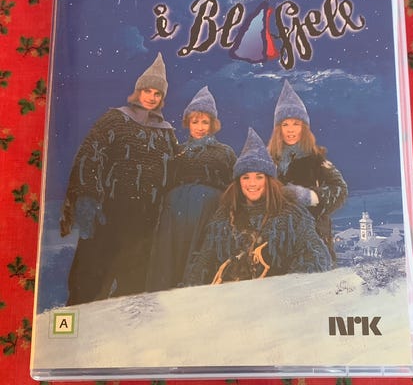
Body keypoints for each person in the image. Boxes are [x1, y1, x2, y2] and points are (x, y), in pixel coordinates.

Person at [59, 52, 178, 305]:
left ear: (162, 98)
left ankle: (123, 326)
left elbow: (176, 170)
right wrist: (89, 198)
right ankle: (75, 320)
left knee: (132, 280)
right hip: (109, 211)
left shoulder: (166, 134)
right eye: (147, 91)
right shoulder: (115, 120)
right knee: (90, 274)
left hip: (144, 217)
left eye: (157, 94)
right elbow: (90, 155)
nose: (151, 97)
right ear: (138, 91)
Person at [185, 127, 332, 286]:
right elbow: (204, 260)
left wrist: (286, 287)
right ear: (238, 182)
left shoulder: (291, 214)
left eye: (259, 177)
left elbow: (317, 256)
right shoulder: (224, 216)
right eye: (246, 177)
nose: (252, 184)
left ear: (268, 180)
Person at [147, 86, 237, 291]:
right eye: (195, 122)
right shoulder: (177, 151)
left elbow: (235, 183)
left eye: (205, 122)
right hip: (174, 218)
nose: (200, 127)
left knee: (200, 256)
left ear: (213, 124)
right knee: (170, 259)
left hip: (208, 214)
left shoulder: (225, 152)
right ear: (188, 123)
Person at [267, 80, 347, 262]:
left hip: (314, 237)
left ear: (304, 128)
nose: (290, 130)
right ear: (278, 129)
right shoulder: (267, 161)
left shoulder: (317, 160)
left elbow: (340, 190)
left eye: (296, 124)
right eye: (285, 124)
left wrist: (310, 196)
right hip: (276, 240)